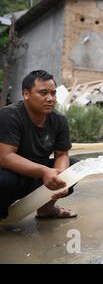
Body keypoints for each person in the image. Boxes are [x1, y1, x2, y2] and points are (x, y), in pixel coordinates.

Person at [0, 70, 78, 220]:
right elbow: (5, 157)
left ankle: (46, 210)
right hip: (10, 174)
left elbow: (61, 154)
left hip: (39, 176)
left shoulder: (59, 120)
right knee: (4, 181)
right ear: (26, 94)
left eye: (53, 93)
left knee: (74, 168)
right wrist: (44, 171)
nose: (50, 99)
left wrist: (60, 178)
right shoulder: (9, 116)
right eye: (43, 93)